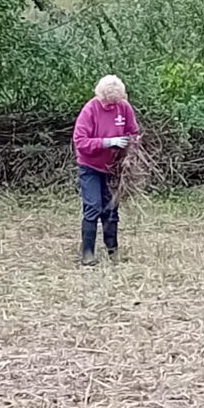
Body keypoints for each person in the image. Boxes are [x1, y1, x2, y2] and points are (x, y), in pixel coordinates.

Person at [72, 75, 140, 266]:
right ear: (101, 96)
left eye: (115, 102)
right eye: (108, 102)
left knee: (111, 208)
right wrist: (107, 142)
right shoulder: (90, 110)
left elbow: (133, 132)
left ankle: (113, 250)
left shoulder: (124, 107)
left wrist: (130, 149)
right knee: (93, 206)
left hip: (114, 167)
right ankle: (87, 253)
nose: (111, 105)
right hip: (91, 167)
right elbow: (80, 142)